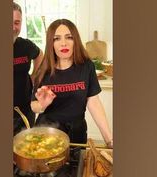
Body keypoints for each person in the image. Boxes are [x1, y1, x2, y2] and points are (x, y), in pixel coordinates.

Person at [31, 19, 113, 148]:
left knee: (79, 167)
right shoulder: (44, 69)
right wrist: (41, 105)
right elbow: (33, 105)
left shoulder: (86, 66)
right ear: (51, 43)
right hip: (47, 133)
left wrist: (109, 139)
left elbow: (94, 102)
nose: (63, 43)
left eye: (69, 37)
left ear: (75, 40)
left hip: (76, 134)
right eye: (56, 39)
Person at [13, 2, 43, 136]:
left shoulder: (26, 45)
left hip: (25, 109)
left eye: (17, 22)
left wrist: (34, 75)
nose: (13, 27)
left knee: (27, 149)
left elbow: (40, 55)